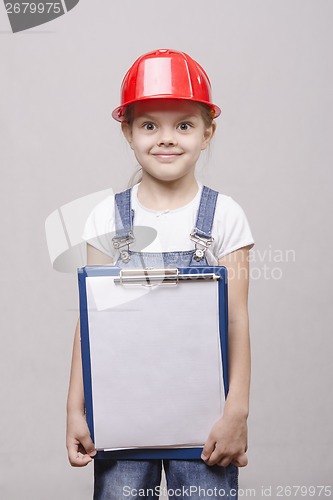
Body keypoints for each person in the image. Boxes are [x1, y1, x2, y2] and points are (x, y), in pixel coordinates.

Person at [66, 48, 254, 499]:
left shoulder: (226, 217)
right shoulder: (106, 219)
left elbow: (237, 320)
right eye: (149, 125)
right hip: (122, 419)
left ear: (208, 132)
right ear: (128, 132)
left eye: (183, 125)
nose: (166, 138)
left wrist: (237, 412)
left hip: (204, 425)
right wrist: (75, 408)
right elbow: (91, 321)